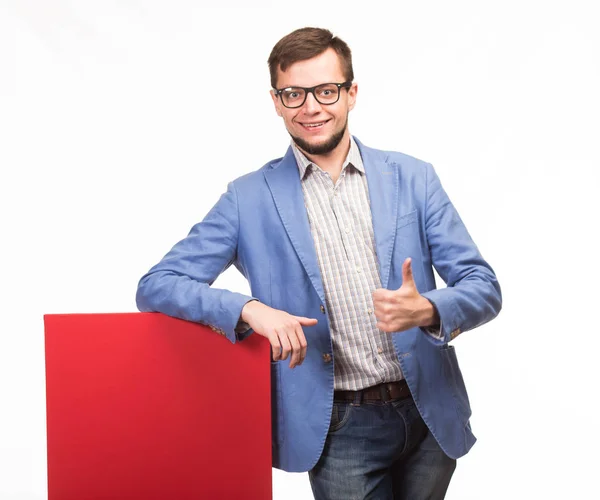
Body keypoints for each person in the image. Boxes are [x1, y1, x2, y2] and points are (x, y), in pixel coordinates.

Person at [136, 27, 502, 500]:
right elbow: (157, 284)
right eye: (294, 94)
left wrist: (429, 310)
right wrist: (248, 309)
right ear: (276, 101)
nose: (311, 107)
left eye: (326, 91)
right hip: (339, 426)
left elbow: (483, 286)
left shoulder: (413, 177)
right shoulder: (248, 198)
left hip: (430, 412)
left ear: (351, 93)